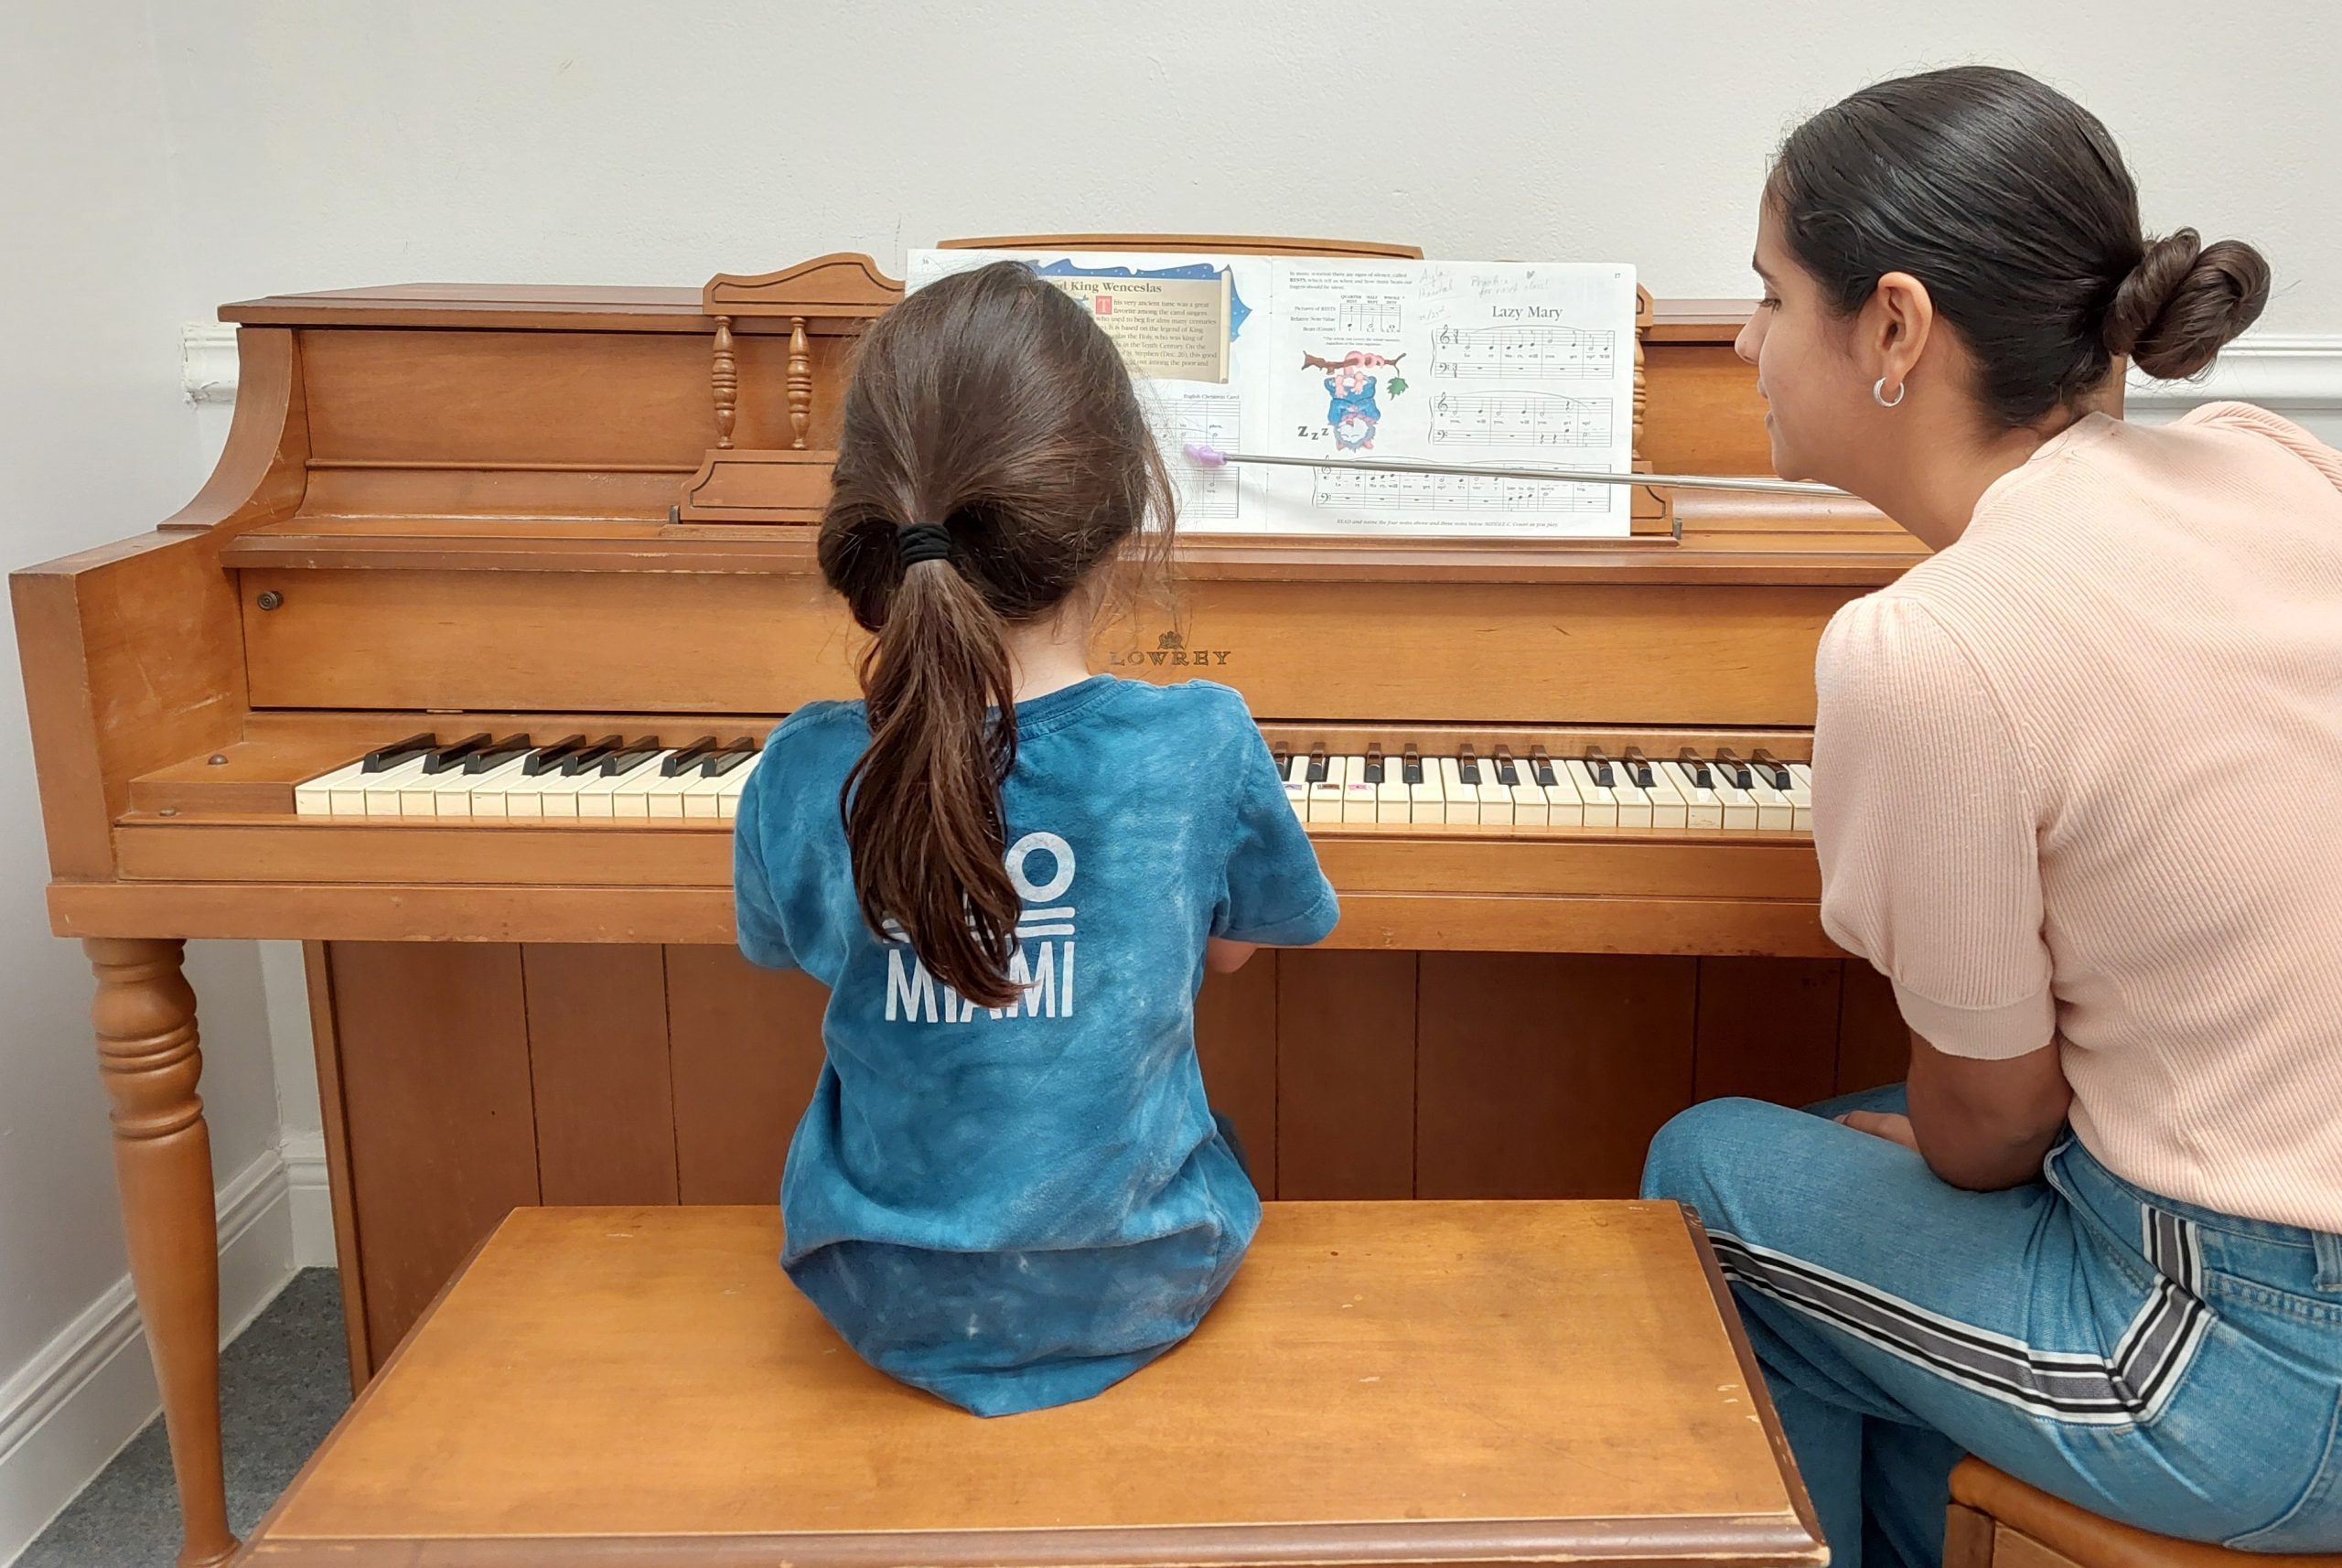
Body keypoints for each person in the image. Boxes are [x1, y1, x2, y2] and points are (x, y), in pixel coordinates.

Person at [1641, 66, 2342, 1563]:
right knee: (1835, 1137)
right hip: (2289, 1258)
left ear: (1894, 326)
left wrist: (1949, 1142)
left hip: (2261, 1371)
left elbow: (1992, 1128)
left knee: (1708, 1172)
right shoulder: (2274, 461)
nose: (1747, 340)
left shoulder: (1934, 642)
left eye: (1770, 294)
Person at [731, 260, 1338, 1417]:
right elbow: (1231, 952)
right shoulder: (1199, 740)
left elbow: (793, 950)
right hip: (1141, 1281)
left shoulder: (804, 763)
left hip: (875, 1286)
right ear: (1123, 511)